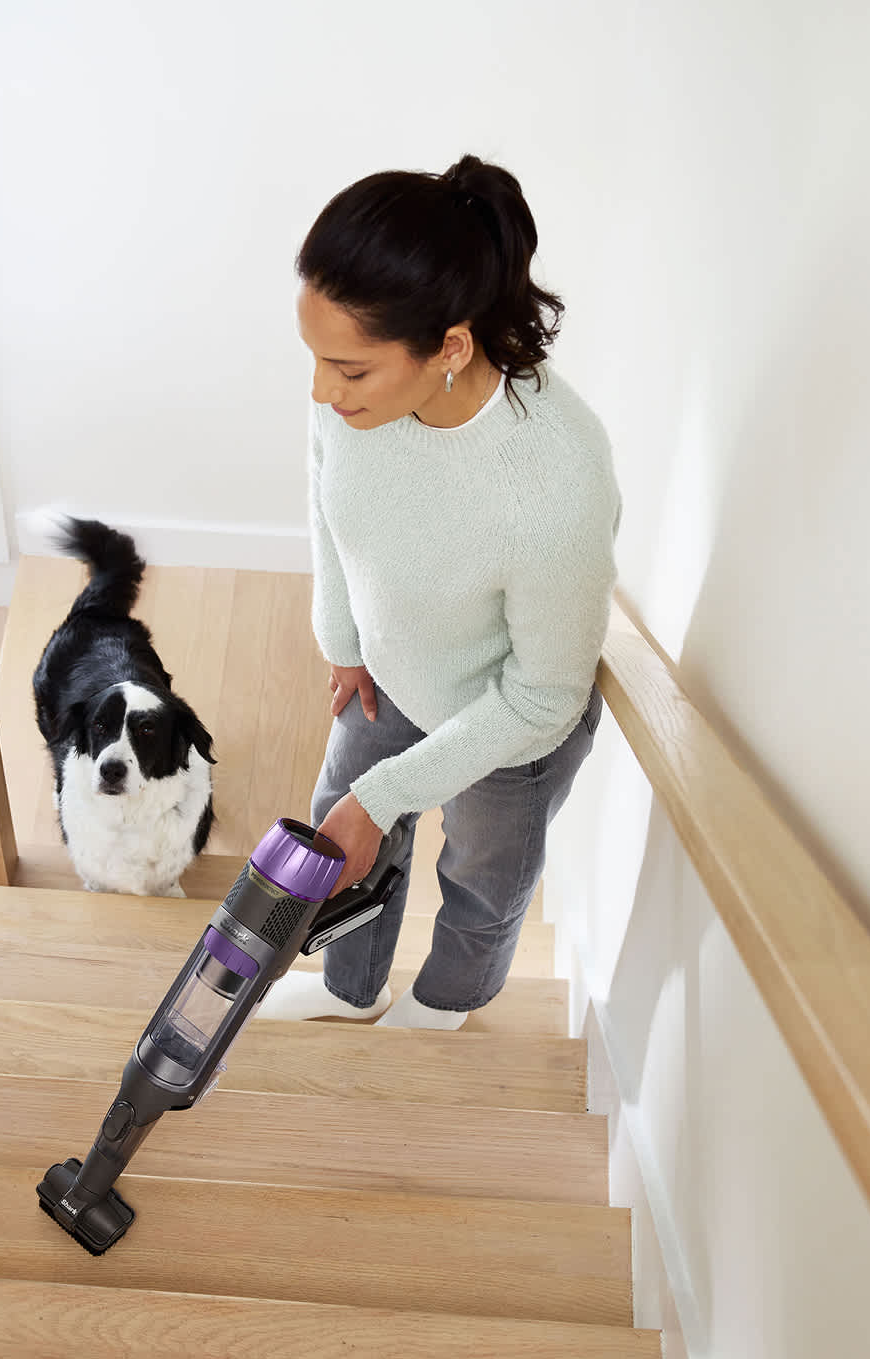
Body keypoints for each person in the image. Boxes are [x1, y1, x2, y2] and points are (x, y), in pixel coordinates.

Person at [256, 154, 621, 1031]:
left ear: (451, 348)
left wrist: (383, 797)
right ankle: (349, 991)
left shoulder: (554, 482)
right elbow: (326, 497)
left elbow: (544, 697)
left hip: (509, 724)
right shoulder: (353, 399)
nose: (321, 391)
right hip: (391, 676)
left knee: (480, 882)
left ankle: (441, 1012)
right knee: (339, 829)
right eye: (316, 360)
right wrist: (343, 640)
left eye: (349, 371)